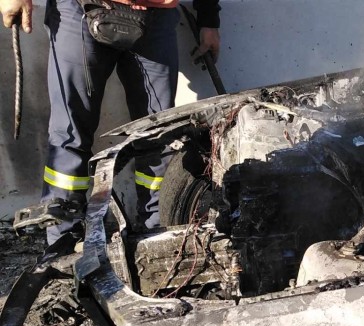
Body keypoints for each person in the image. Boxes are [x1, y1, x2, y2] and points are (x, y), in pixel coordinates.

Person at [0, 0, 221, 244]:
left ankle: (158, 236)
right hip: (81, 10)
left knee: (159, 139)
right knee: (70, 135)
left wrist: (208, 19)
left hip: (156, 15)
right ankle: (63, 240)